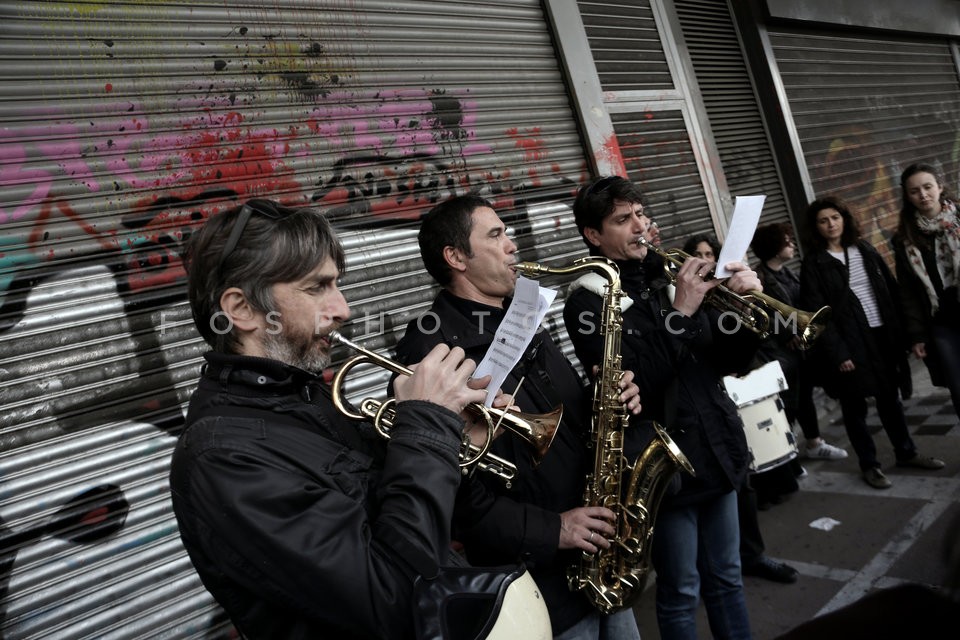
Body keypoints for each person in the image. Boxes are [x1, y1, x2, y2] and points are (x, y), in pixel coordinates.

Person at [168, 198, 496, 640]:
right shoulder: (223, 456)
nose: (343, 309)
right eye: (317, 287)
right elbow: (392, 594)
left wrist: (454, 438)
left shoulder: (301, 396)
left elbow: (401, 517)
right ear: (242, 310)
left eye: (337, 284)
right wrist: (426, 425)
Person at [393, 194, 644, 639]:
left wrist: (606, 398)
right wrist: (555, 530)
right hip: (537, 580)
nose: (512, 245)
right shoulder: (431, 352)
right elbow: (452, 493)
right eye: (496, 235)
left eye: (507, 232)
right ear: (456, 257)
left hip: (597, 553)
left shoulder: (522, 315)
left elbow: (560, 416)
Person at [563, 175, 757, 640]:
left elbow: (732, 362)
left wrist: (743, 306)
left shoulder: (670, 274)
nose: (640, 227)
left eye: (641, 215)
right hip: (662, 469)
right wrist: (683, 311)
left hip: (716, 447)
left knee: (729, 578)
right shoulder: (588, 299)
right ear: (594, 235)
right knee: (681, 589)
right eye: (623, 220)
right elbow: (633, 384)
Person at [799, 195, 944, 490]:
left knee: (890, 400)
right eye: (823, 220)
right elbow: (817, 315)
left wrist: (907, 335)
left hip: (882, 337)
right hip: (850, 345)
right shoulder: (814, 264)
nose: (830, 225)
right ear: (816, 227)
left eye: (835, 218)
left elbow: (891, 291)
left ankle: (906, 453)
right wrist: (839, 353)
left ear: (845, 219)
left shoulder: (864, 249)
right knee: (854, 409)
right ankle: (870, 465)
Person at [750, 222, 847, 461]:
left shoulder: (787, 272)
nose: (792, 245)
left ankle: (813, 444)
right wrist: (786, 334)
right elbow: (759, 316)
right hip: (781, 354)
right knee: (789, 404)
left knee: (803, 399)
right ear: (774, 247)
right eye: (786, 241)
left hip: (799, 352)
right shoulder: (759, 279)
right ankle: (788, 456)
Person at [892, 163, 960, 420]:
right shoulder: (904, 239)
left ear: (940, 187)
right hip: (942, 323)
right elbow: (907, 292)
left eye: (928, 187)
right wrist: (917, 335)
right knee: (958, 387)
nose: (923, 195)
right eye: (914, 191)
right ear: (907, 196)